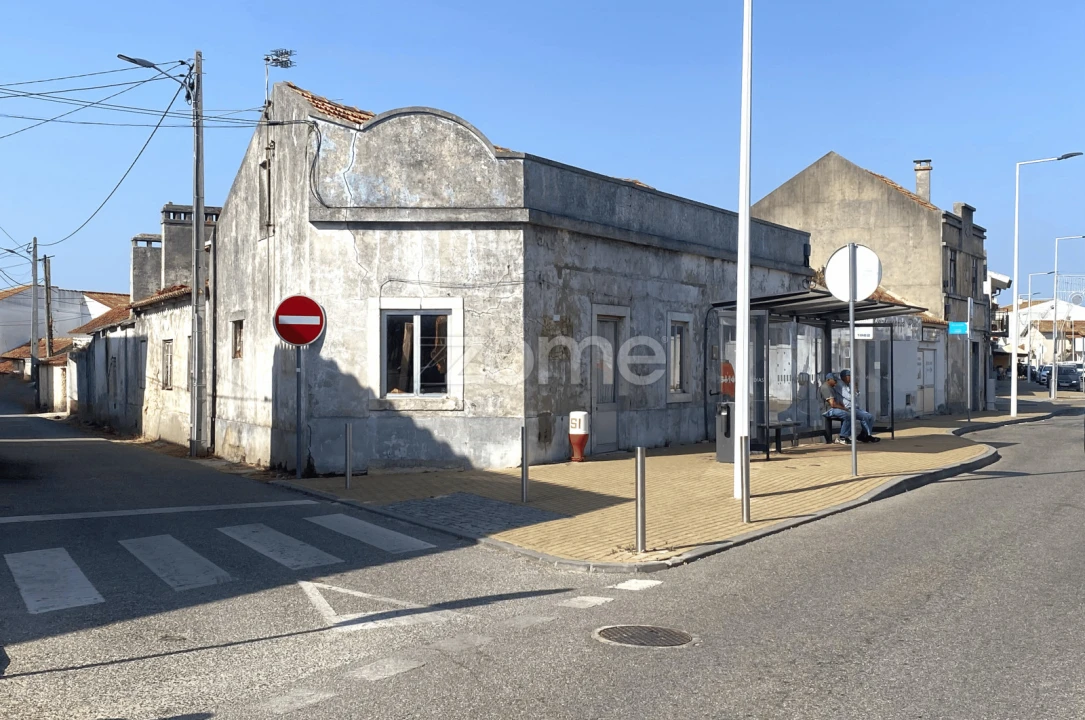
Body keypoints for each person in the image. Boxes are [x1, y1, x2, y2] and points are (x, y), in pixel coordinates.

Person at [838, 369, 880, 443]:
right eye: (849, 376)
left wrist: (856, 390)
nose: (851, 378)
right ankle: (867, 435)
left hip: (855, 408)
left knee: (870, 417)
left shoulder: (850, 385)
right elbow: (850, 397)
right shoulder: (841, 386)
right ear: (843, 377)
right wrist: (854, 392)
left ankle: (864, 435)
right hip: (848, 408)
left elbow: (857, 396)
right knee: (864, 417)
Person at [819, 372, 852, 445]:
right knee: (847, 415)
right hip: (827, 410)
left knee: (850, 415)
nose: (836, 382)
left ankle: (845, 436)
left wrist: (842, 406)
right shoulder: (826, 387)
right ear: (829, 380)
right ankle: (843, 437)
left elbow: (836, 401)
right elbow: (833, 404)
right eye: (834, 380)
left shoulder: (831, 387)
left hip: (832, 408)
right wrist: (843, 408)